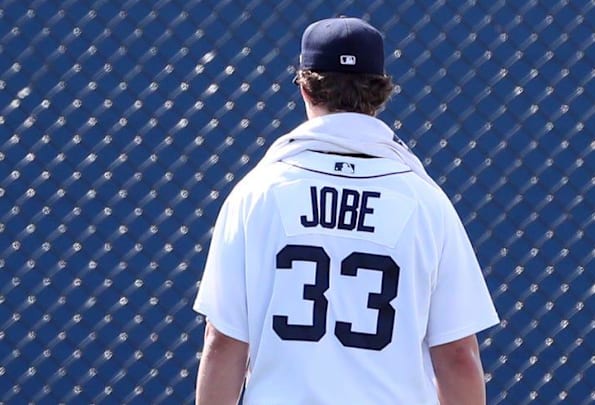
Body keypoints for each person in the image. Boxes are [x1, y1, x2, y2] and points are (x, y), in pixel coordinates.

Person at [193, 16, 499, 405]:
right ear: (381, 92)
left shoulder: (257, 194)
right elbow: (457, 356)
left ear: (305, 87)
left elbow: (223, 342)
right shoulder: (425, 202)